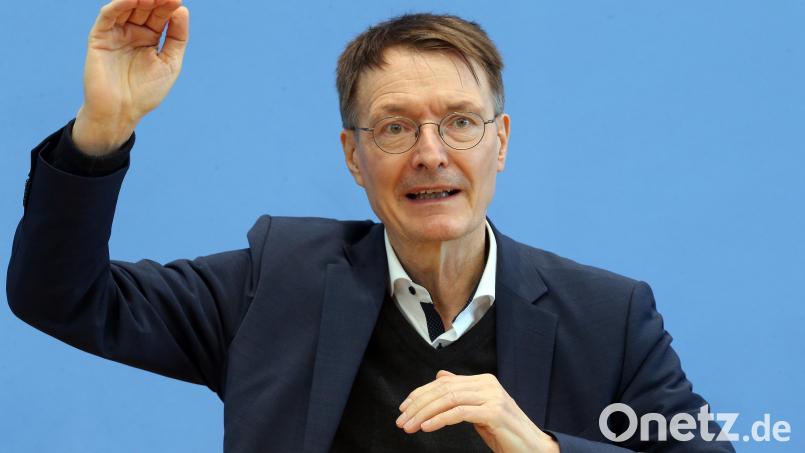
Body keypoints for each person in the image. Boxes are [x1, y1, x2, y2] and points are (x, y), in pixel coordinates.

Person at [7, 1, 735, 452]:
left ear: (501, 142)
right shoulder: (273, 283)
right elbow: (60, 296)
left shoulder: (608, 318)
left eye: (460, 122)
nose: (430, 153)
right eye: (393, 127)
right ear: (353, 157)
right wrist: (104, 125)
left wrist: (543, 450)